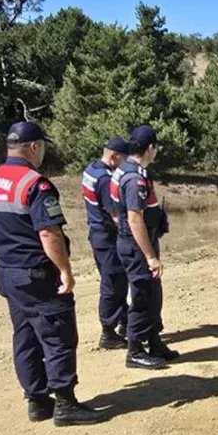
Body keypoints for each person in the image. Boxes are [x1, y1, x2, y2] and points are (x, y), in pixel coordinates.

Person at [0, 121, 105, 426]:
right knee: (57, 334)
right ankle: (64, 403)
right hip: (36, 273)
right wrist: (65, 270)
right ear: (34, 147)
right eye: (43, 147)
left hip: (8, 272)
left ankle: (37, 401)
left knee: (25, 336)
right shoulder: (36, 184)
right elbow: (48, 233)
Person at [111, 124, 178, 369]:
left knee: (152, 293)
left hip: (137, 241)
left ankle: (154, 340)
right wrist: (150, 255)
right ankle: (135, 350)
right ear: (151, 148)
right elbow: (134, 217)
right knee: (142, 295)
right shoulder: (134, 177)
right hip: (137, 245)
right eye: (156, 147)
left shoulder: (125, 170)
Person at [82, 137, 131, 350]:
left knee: (116, 281)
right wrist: (133, 232)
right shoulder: (104, 179)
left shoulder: (90, 169)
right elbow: (114, 215)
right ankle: (108, 332)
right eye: (124, 159)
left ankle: (124, 322)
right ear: (114, 156)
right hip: (107, 237)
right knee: (113, 284)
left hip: (97, 234)